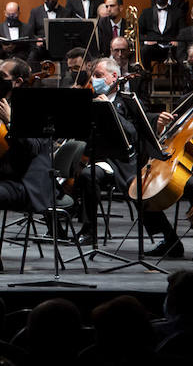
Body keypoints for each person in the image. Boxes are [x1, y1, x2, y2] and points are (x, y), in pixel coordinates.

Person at [0, 60, 53, 273]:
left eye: (2, 76)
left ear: (18, 82)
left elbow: (33, 148)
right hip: (3, 178)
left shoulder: (35, 106)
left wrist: (11, 122)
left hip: (26, 184)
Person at [72, 53, 138, 245]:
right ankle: (88, 229)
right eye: (93, 75)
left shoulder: (126, 101)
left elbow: (133, 133)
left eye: (99, 75)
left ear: (114, 77)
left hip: (122, 161)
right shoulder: (90, 99)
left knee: (142, 191)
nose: (94, 79)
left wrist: (109, 108)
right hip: (99, 158)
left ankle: (169, 237)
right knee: (82, 175)